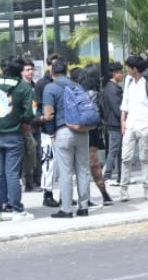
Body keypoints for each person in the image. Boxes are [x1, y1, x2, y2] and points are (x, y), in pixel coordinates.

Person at [0, 56, 36, 222]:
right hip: (14, 134)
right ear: (20, 71)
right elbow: (29, 114)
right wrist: (20, 118)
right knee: (12, 173)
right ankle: (16, 210)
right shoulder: (23, 87)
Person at [43, 59, 91, 218]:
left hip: (63, 131)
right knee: (83, 170)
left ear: (52, 73)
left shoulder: (50, 88)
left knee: (65, 172)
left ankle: (66, 209)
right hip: (82, 131)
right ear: (67, 71)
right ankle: (84, 207)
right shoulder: (77, 86)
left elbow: (48, 114)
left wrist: (51, 134)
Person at [120, 55, 148, 202]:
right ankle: (123, 190)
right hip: (130, 124)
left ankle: (147, 190)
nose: (127, 71)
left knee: (144, 159)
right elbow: (125, 102)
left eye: (128, 68)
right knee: (125, 158)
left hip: (144, 125)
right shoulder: (129, 81)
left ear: (134, 69)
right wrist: (123, 120)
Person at [74, 65, 113, 207]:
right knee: (94, 165)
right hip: (92, 132)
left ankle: (85, 196)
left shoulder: (78, 91)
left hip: (78, 130)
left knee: (81, 166)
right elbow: (99, 114)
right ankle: (104, 195)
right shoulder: (94, 93)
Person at [33, 55, 60, 208]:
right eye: (53, 65)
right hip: (47, 129)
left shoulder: (60, 82)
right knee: (49, 162)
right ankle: (47, 194)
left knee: (61, 165)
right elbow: (36, 108)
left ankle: (64, 194)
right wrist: (42, 119)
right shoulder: (42, 84)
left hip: (60, 128)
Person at [101, 61, 124, 183]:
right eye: (120, 72)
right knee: (114, 150)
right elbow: (117, 108)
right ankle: (107, 174)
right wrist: (124, 118)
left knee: (117, 150)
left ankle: (120, 175)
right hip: (115, 124)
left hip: (114, 123)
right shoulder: (112, 89)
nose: (122, 75)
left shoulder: (112, 88)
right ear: (114, 74)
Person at [20, 59, 40, 192]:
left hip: (36, 124)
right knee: (28, 154)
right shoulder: (21, 87)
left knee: (36, 153)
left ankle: (37, 180)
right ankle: (29, 182)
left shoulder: (35, 86)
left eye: (32, 69)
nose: (30, 72)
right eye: (27, 70)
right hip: (25, 126)